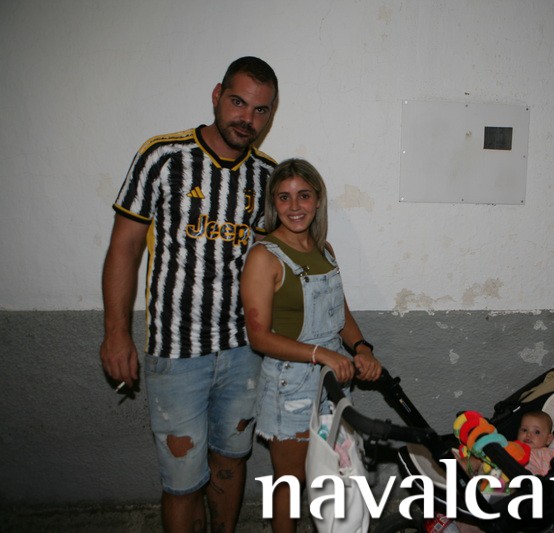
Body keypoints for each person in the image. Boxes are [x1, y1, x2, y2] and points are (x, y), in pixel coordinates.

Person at [99, 56, 279, 532]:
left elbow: (281, 258)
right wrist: (116, 333)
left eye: (261, 110)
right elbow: (124, 248)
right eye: (238, 102)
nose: (247, 118)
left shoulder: (268, 177)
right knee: (181, 482)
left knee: (231, 463)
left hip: (245, 352)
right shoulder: (162, 157)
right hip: (176, 354)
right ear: (217, 95)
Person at [240, 158, 382, 533]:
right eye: (284, 197)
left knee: (331, 472)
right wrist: (322, 355)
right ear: (273, 203)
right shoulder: (264, 256)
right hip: (290, 386)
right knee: (290, 481)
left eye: (303, 195)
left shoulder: (325, 250)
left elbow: (340, 313)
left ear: (317, 200)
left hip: (332, 381)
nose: (294, 206)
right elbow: (259, 336)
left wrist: (361, 348)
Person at [516, 410, 554, 476]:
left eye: (537, 432)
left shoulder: (548, 453)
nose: (528, 434)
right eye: (524, 430)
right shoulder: (513, 447)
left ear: (548, 439)